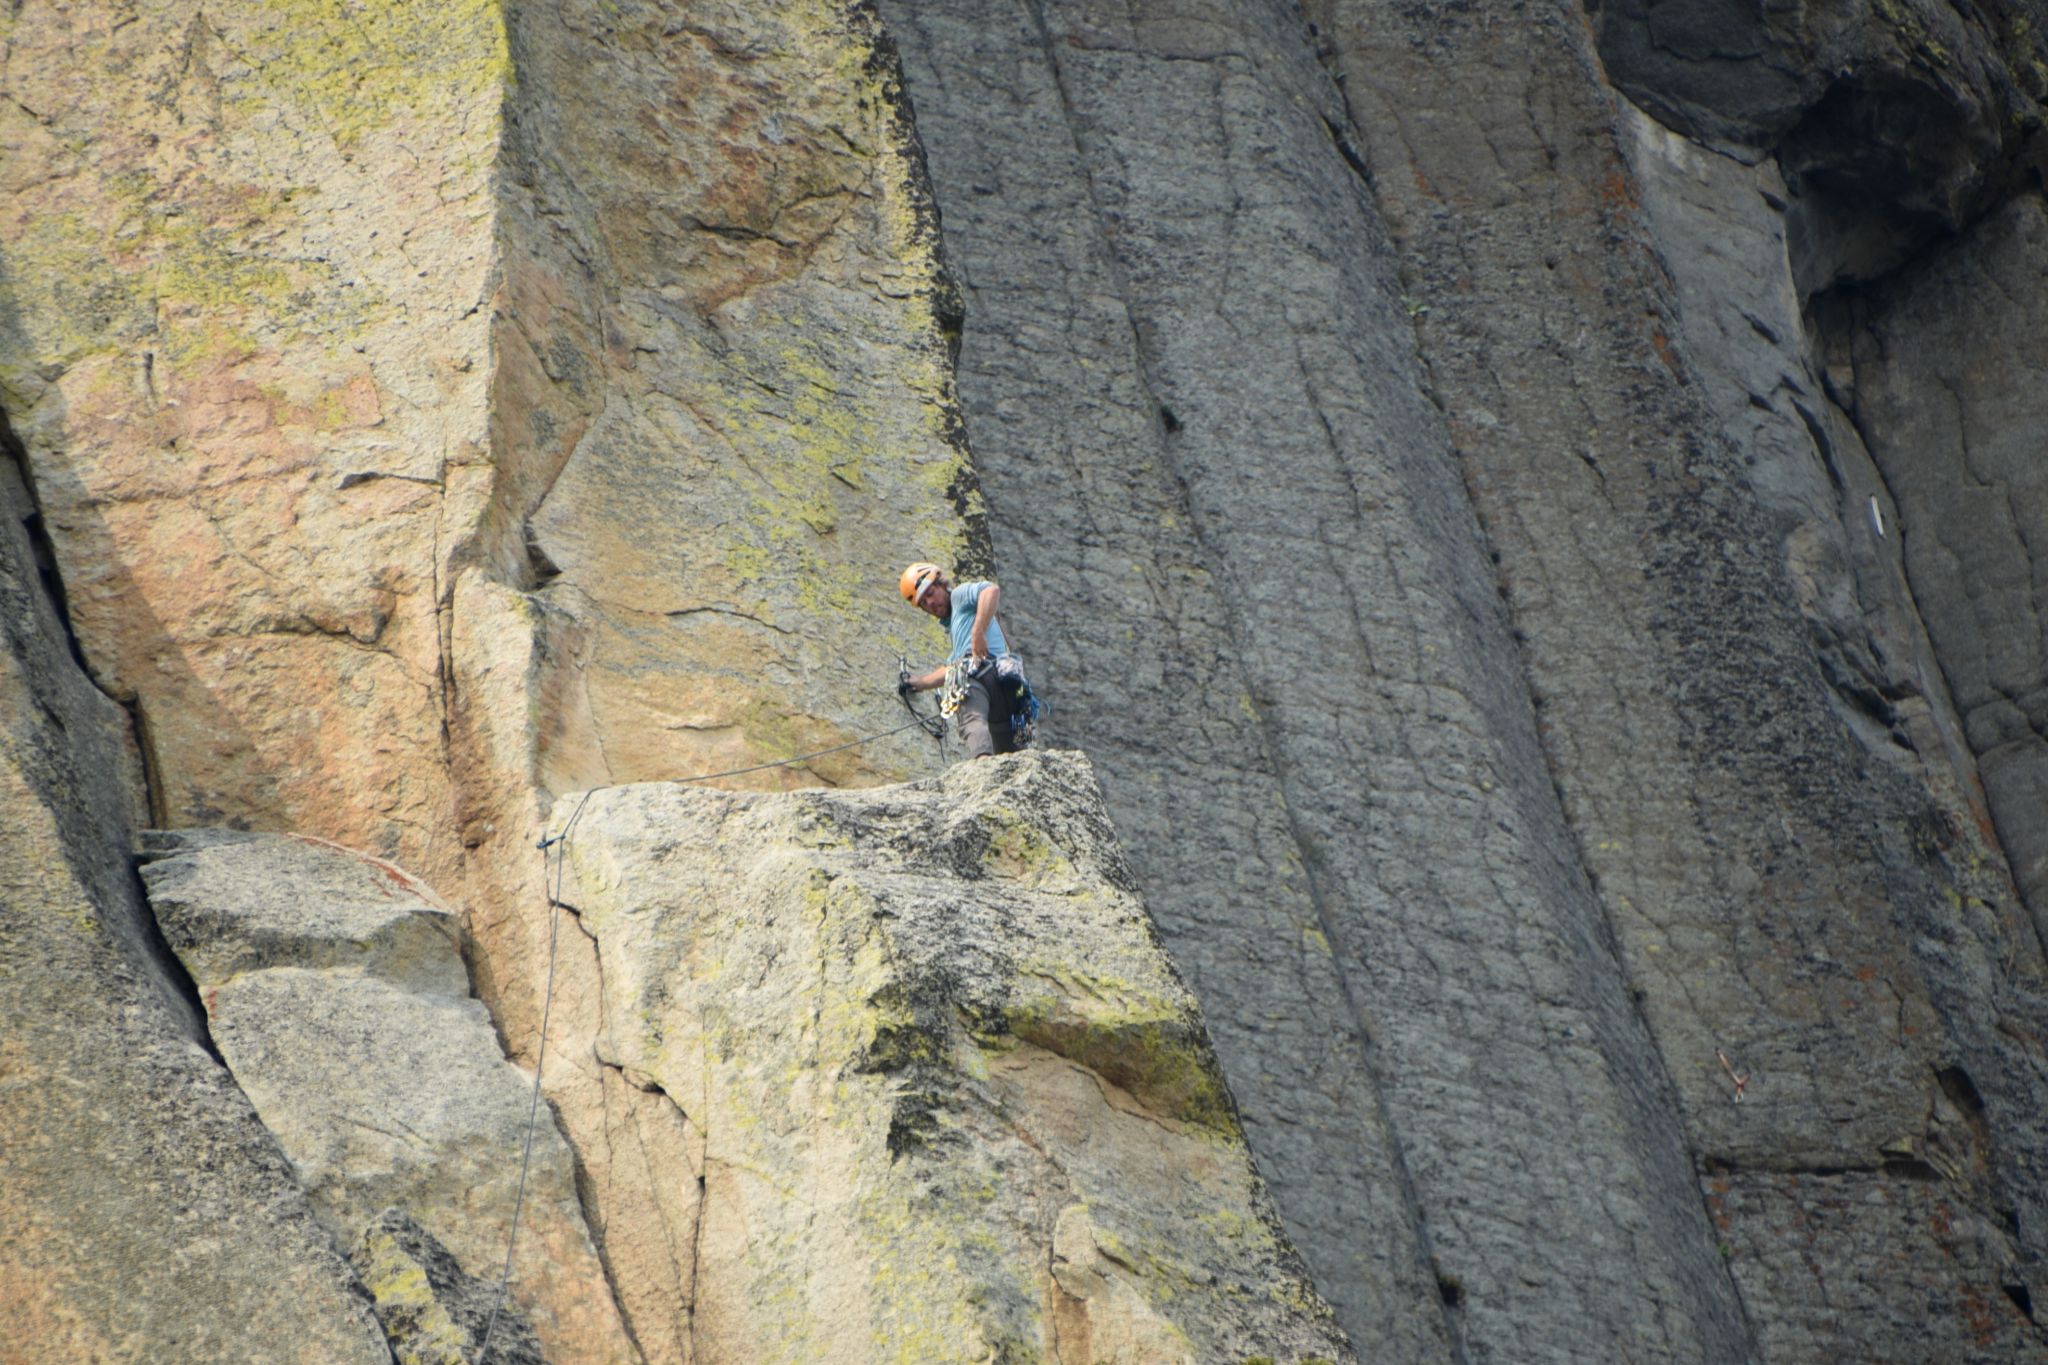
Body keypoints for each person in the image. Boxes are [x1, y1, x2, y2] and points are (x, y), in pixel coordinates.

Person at [896, 562, 1024, 758]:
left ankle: (982, 764)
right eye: (923, 603)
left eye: (930, 594)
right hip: (1005, 683)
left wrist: (978, 632)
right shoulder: (957, 629)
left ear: (941, 584)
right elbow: (952, 668)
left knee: (970, 717)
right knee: (1004, 740)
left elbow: (991, 590)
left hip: (979, 676)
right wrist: (919, 683)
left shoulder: (959, 596)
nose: (929, 603)